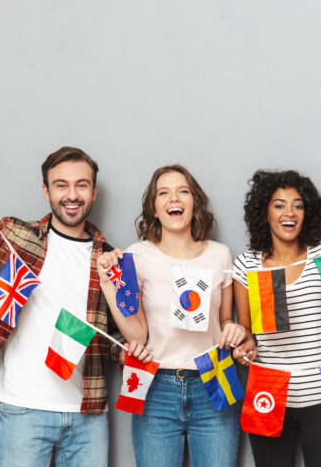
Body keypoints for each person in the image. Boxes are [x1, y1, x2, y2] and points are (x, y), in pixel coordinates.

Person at [0, 112, 147, 467]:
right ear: (46, 190)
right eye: (61, 184)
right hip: (23, 409)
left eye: (81, 185)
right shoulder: (13, 238)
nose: (72, 194)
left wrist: (128, 355)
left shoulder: (111, 261)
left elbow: (113, 339)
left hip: (88, 415)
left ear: (93, 192)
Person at [97, 165, 245, 467]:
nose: (173, 198)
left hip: (215, 377)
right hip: (155, 384)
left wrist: (236, 331)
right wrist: (106, 284)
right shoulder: (136, 257)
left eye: (182, 191)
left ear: (194, 203)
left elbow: (225, 321)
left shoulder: (220, 254)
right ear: (154, 207)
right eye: (163, 193)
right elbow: (136, 335)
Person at [231, 169, 321, 467]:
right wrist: (242, 348)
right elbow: (246, 330)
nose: (290, 212)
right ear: (264, 212)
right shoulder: (247, 264)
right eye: (279, 205)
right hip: (268, 393)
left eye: (298, 205)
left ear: (307, 212)